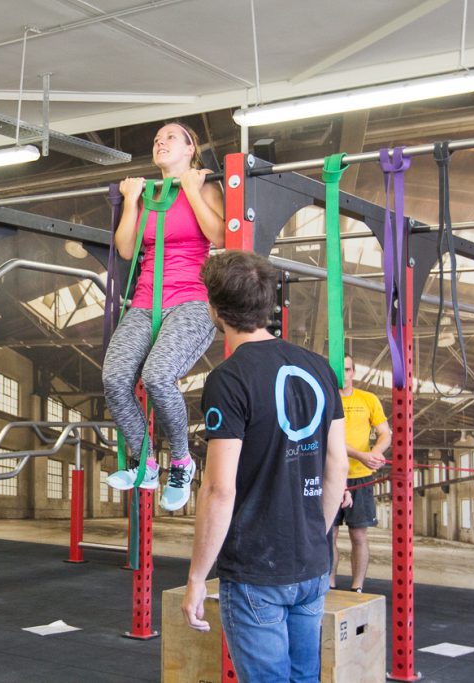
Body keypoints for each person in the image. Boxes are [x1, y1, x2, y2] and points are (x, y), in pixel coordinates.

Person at [181, 250, 349, 682]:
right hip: (312, 566)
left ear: (214, 310)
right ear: (268, 304)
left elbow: (219, 489)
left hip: (257, 572)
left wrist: (198, 577)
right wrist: (316, 533)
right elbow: (337, 465)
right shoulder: (320, 369)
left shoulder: (228, 380)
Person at [103, 121, 224, 511]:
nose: (161, 141)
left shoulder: (205, 185)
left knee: (157, 376)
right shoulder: (147, 194)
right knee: (115, 378)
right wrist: (133, 202)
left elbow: (220, 237)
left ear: (191, 149)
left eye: (171, 137)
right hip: (144, 301)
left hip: (191, 299)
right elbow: (126, 250)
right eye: (157, 139)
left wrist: (191, 189)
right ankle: (145, 463)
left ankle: (182, 463)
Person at [331, 354, 391, 592]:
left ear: (353, 372)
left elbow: (385, 433)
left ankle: (357, 588)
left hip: (361, 477)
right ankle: (329, 586)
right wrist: (362, 455)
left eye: (347, 370)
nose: (343, 375)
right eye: (339, 370)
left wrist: (375, 453)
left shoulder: (369, 399)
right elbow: (328, 439)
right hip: (332, 475)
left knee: (359, 536)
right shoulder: (326, 400)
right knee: (329, 536)